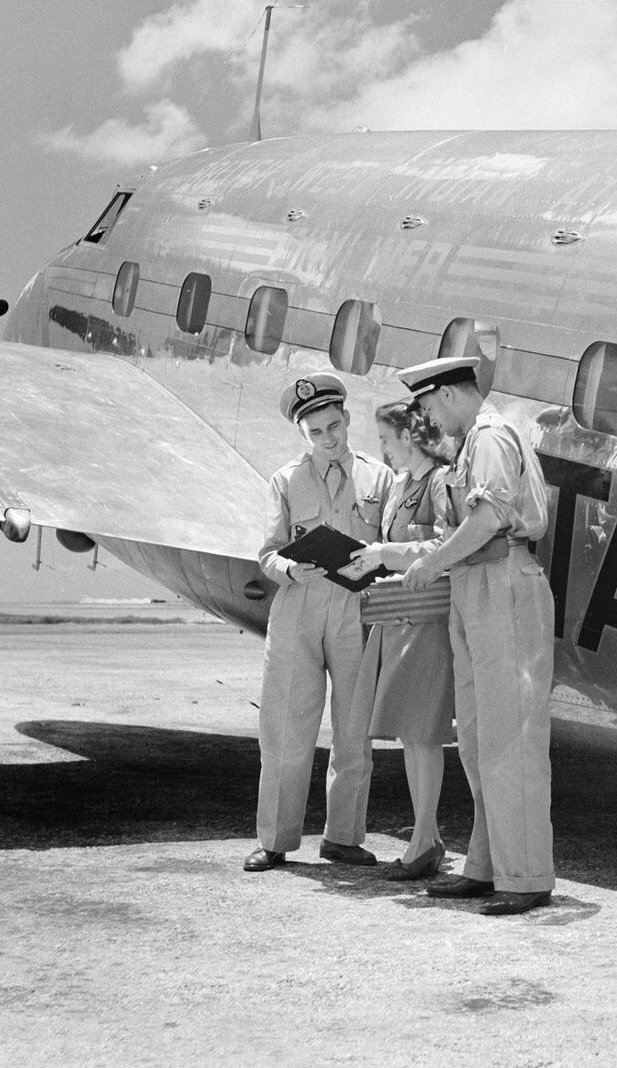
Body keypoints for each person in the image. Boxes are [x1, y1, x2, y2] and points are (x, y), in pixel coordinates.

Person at [367, 356, 556, 916]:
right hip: (476, 585)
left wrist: (431, 566)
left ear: (447, 395)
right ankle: (486, 866)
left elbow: (487, 521)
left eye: (426, 405)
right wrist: (399, 558)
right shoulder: (470, 445)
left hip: (504, 584)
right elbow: (456, 533)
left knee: (511, 739)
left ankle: (525, 876)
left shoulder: (492, 439)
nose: (427, 418)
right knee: (476, 739)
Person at [244, 373, 394, 873]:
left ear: (348, 419)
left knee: (354, 730)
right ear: (303, 435)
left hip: (357, 611)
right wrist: (289, 567)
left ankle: (343, 838)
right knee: (286, 728)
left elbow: (391, 546)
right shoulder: (286, 480)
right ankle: (275, 839)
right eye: (317, 432)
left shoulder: (380, 478)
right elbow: (266, 554)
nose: (329, 439)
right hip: (299, 611)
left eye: (335, 426)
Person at [346, 402, 458, 881]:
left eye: (388, 440)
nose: (383, 450)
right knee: (413, 737)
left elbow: (447, 544)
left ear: (408, 437)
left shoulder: (439, 481)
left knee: (422, 734)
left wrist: (384, 552)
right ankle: (425, 836)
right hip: (398, 619)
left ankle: (423, 841)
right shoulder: (400, 487)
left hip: (425, 623)